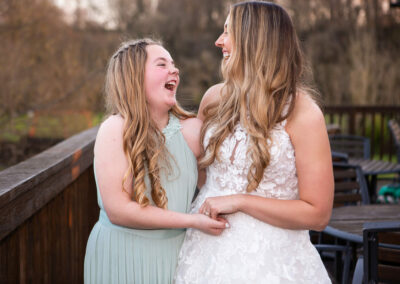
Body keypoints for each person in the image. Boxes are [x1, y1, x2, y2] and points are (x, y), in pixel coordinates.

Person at [174, 2, 334, 283]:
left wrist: (240, 201)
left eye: (227, 32)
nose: (218, 41)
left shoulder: (304, 113)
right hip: (205, 252)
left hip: (274, 261)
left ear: (253, 40)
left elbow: (318, 213)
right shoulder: (213, 99)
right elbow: (203, 174)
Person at [84, 38, 227, 284]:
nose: (175, 69)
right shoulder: (115, 129)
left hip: (176, 256)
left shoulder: (193, 130)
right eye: (162, 64)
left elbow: (219, 184)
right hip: (121, 256)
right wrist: (192, 221)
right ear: (134, 77)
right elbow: (118, 210)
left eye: (173, 64)